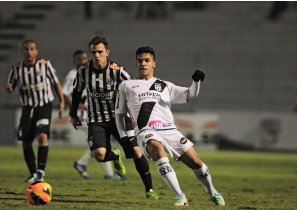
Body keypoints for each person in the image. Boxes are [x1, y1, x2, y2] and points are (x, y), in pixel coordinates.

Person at [115, 46, 225, 206]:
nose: (143, 64)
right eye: (140, 61)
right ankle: (180, 196)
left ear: (154, 64)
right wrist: (124, 138)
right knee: (156, 149)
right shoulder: (126, 85)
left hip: (169, 130)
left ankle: (213, 191)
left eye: (147, 60)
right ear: (136, 63)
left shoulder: (164, 85)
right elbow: (119, 114)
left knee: (197, 164)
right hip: (146, 130)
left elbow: (190, 94)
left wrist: (196, 81)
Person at [70, 36, 159, 199]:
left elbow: (135, 90)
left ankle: (149, 189)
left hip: (120, 119)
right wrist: (73, 114)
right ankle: (115, 155)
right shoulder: (83, 71)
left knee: (135, 152)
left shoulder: (118, 71)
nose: (96, 55)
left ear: (107, 52)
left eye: (100, 52)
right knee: (99, 155)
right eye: (93, 52)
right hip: (96, 120)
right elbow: (76, 93)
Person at [6, 39, 65, 182]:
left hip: (44, 105)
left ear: (36, 51)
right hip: (27, 108)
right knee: (26, 142)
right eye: (26, 49)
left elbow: (55, 82)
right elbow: (10, 85)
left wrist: (62, 101)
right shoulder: (16, 69)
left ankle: (40, 171)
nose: (29, 52)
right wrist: (9, 88)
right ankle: (33, 173)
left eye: (32, 49)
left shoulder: (45, 65)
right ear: (22, 52)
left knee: (42, 136)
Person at [63, 49, 119, 180]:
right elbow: (65, 93)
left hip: (91, 112)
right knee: (101, 141)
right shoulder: (73, 74)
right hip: (81, 114)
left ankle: (100, 170)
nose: (81, 61)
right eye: (78, 59)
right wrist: (76, 107)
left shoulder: (88, 71)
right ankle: (86, 165)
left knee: (101, 141)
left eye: (83, 59)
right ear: (74, 61)